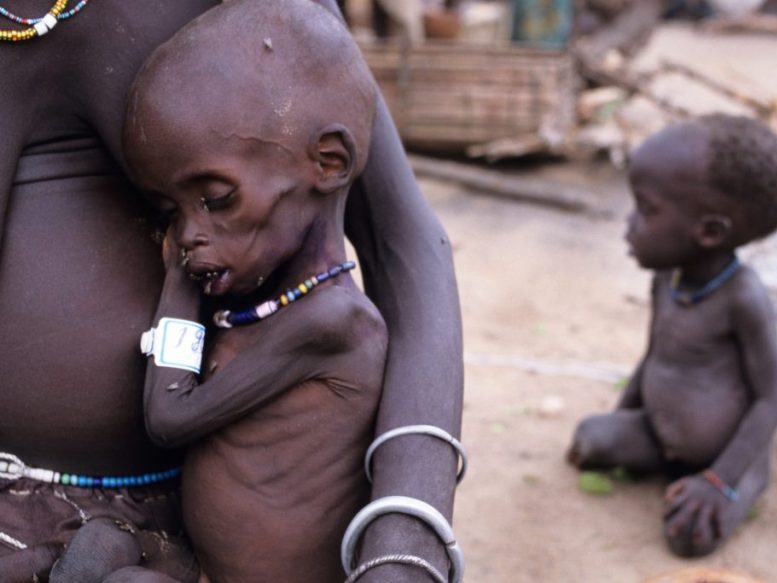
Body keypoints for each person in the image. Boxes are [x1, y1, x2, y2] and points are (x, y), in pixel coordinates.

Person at [0, 1, 462, 582]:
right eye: (171, 213)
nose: (190, 234)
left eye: (214, 201)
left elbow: (404, 244)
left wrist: (405, 540)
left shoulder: (332, 325)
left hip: (179, 521)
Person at [567, 114, 777, 557]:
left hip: (729, 457)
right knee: (591, 439)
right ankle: (671, 469)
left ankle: (716, 486)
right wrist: (623, 416)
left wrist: (719, 481)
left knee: (689, 539)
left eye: (646, 209)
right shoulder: (666, 278)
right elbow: (654, 356)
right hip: (660, 434)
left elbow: (771, 400)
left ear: (708, 231)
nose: (629, 223)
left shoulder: (743, 298)